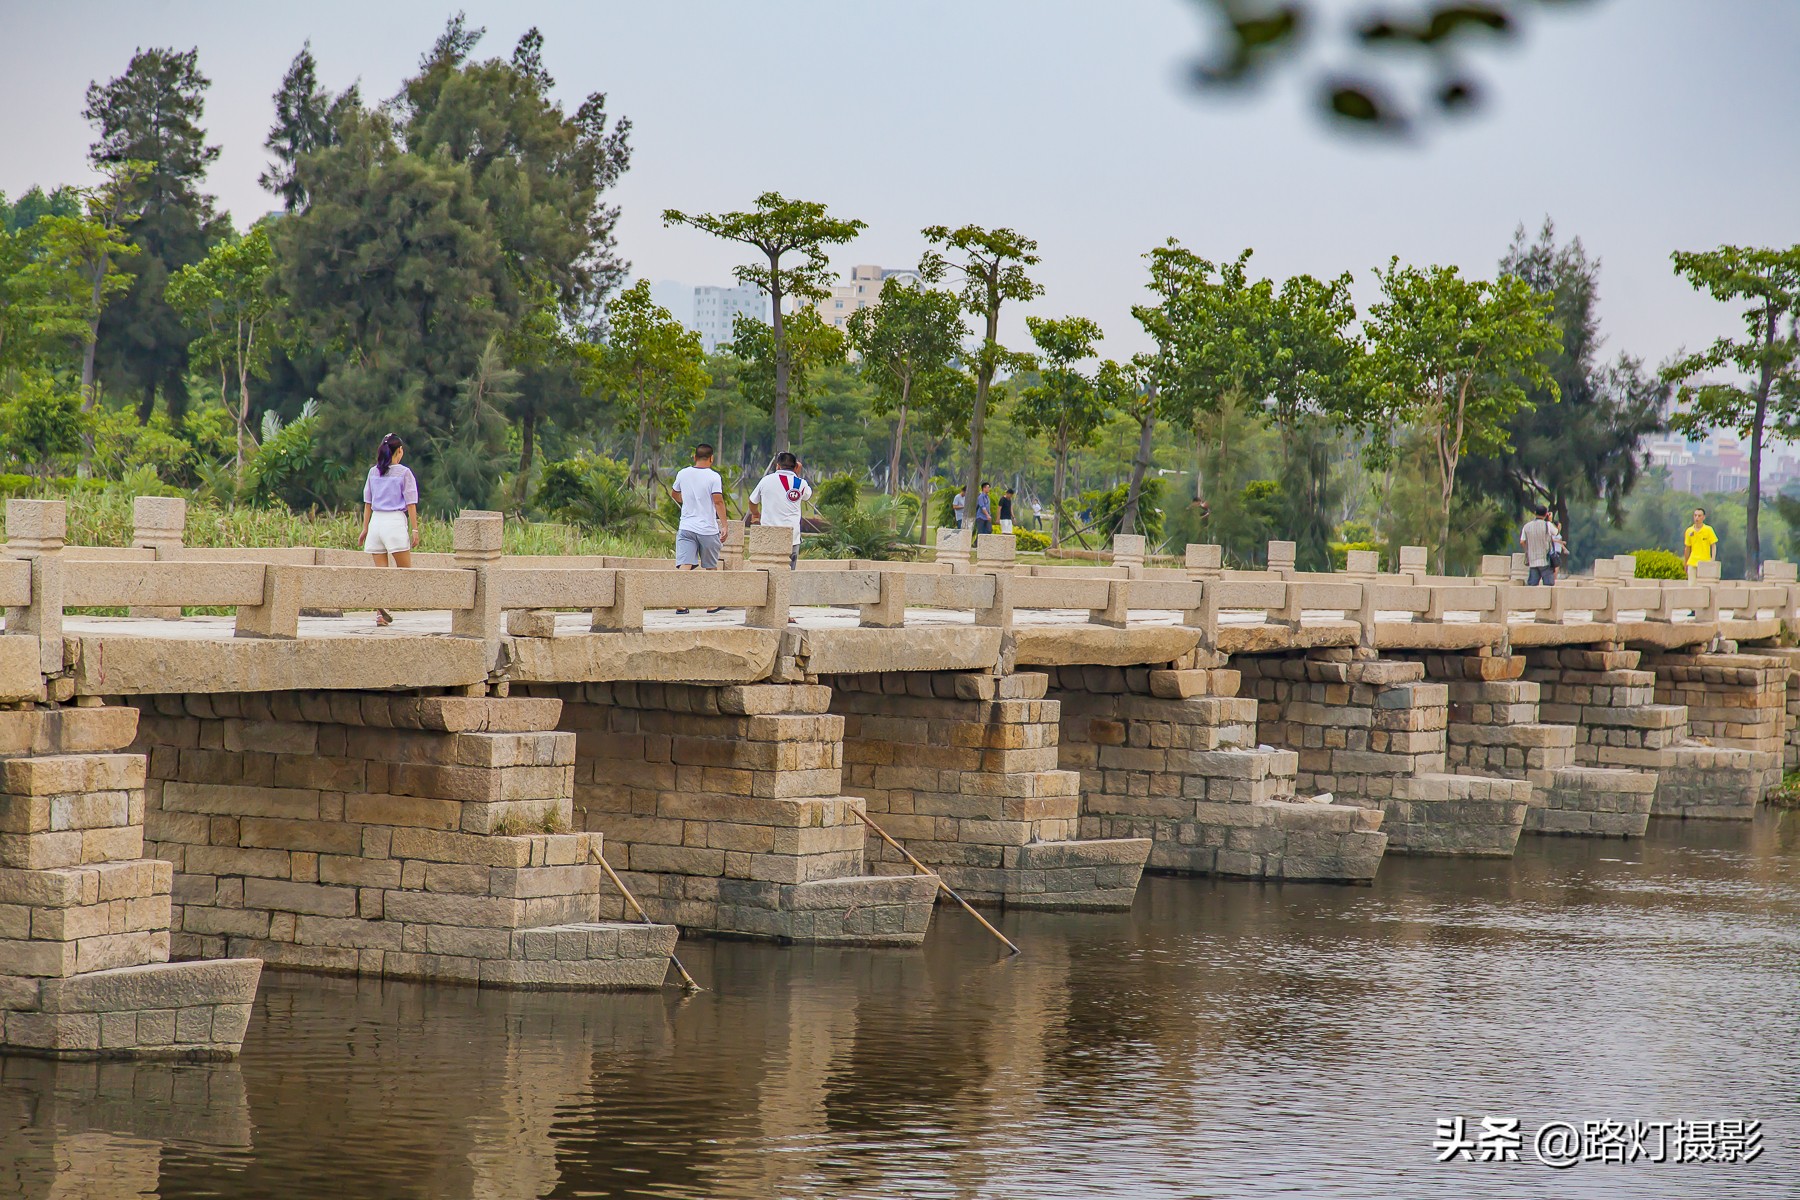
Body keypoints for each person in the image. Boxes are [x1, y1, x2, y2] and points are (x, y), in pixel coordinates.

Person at [359, 433, 420, 627]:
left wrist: (365, 528)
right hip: (394, 521)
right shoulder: (404, 473)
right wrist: (415, 529)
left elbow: (367, 502)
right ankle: (389, 606)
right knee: (405, 572)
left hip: (376, 522)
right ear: (399, 451)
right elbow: (411, 503)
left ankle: (381, 611)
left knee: (381, 573)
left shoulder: (373, 472)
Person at [670, 443, 728, 614]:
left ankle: (680, 603)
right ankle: (711, 604)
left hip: (686, 527)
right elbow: (718, 501)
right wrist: (724, 525)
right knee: (710, 566)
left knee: (684, 565)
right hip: (707, 529)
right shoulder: (714, 477)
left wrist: (686, 500)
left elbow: (674, 494)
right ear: (711, 458)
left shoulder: (683, 473)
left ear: (694, 457)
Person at [749, 452, 812, 569]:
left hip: (769, 533)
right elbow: (807, 496)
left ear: (777, 465)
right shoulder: (800, 483)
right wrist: (796, 475)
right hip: (791, 536)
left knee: (766, 569)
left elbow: (753, 501)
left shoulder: (766, 480)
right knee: (788, 572)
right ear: (795, 466)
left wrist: (755, 514)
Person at [1518, 504, 1561, 586]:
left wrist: (1528, 550)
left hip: (1533, 560)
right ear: (1546, 514)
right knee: (1548, 586)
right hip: (1545, 560)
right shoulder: (1547, 525)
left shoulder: (1527, 526)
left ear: (1535, 513)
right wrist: (1550, 520)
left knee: (1532, 587)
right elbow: (1556, 532)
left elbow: (1522, 541)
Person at [1683, 507, 1718, 576]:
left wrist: (1712, 559)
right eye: (1695, 515)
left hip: (1705, 562)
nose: (1697, 518)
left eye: (1699, 516)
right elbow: (1687, 548)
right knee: (1691, 584)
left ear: (1703, 517)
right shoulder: (1689, 531)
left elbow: (1713, 545)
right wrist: (1686, 563)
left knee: (1704, 584)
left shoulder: (1708, 530)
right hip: (1692, 562)